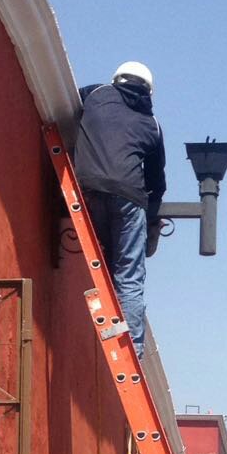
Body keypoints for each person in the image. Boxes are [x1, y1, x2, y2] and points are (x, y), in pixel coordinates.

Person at [74, 62, 166, 360]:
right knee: (129, 275)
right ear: (149, 91)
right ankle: (131, 351)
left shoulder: (96, 94)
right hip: (129, 199)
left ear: (117, 78)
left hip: (88, 190)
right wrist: (151, 220)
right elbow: (157, 181)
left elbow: (70, 102)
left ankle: (107, 324)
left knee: (103, 258)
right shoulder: (152, 123)